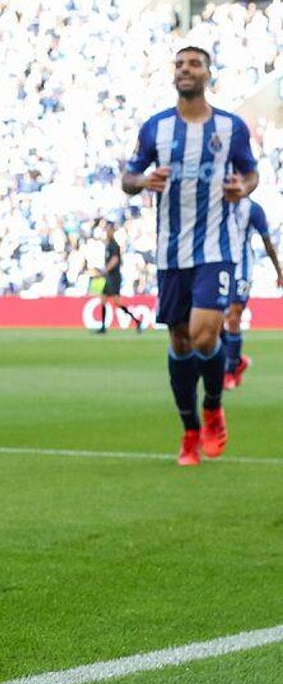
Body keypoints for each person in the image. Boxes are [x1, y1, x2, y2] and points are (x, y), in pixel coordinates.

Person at [121, 46, 256, 466]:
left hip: (216, 248)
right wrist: (144, 180)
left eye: (194, 64)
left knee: (203, 335)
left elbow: (251, 172)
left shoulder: (231, 127)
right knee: (179, 341)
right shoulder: (155, 128)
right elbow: (128, 179)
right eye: (179, 64)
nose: (185, 69)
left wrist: (244, 188)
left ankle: (213, 406)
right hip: (170, 252)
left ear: (207, 73)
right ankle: (189, 430)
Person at [224, 198, 282, 389]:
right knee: (213, 321)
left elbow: (267, 242)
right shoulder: (215, 202)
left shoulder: (254, 209)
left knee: (234, 316)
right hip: (218, 266)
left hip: (242, 269)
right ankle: (237, 360)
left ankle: (230, 371)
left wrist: (279, 271)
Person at [95, 221, 145, 334]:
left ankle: (137, 321)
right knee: (104, 300)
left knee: (116, 302)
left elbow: (115, 259)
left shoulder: (114, 245)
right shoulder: (109, 244)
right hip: (110, 277)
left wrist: (105, 270)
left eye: (109, 229)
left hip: (114, 277)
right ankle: (103, 327)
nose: (107, 232)